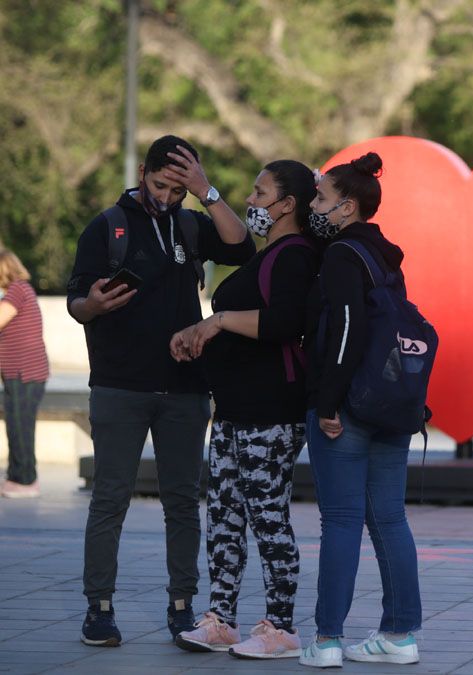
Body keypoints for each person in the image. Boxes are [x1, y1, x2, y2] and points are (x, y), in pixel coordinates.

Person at [66, 135, 255, 647]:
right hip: (119, 385)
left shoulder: (192, 224)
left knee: (181, 501)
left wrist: (206, 192)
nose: (168, 197)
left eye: (179, 189)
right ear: (143, 171)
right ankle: (99, 609)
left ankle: (182, 607)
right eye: (160, 185)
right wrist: (95, 306)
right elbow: (76, 300)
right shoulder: (107, 227)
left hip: (185, 389)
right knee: (110, 499)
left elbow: (242, 247)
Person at [168, 160, 320, 659]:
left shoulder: (295, 255)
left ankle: (281, 627)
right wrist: (203, 331)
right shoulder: (267, 254)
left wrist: (217, 322)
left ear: (287, 205)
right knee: (226, 518)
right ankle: (221, 619)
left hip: (270, 411)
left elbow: (282, 324)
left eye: (260, 193)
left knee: (267, 516)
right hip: (234, 410)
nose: (252, 201)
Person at [299, 152, 422, 668]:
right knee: (390, 519)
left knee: (343, 521)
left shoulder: (343, 256)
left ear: (347, 207)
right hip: (391, 407)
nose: (313, 207)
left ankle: (327, 640)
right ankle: (399, 633)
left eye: (321, 200)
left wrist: (327, 401)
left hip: (345, 409)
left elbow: (348, 327)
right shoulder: (384, 256)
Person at [0, 250, 50, 498]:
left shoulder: (17, 290)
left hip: (25, 372)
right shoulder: (17, 291)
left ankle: (26, 480)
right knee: (15, 425)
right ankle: (15, 477)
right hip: (18, 372)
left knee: (20, 426)